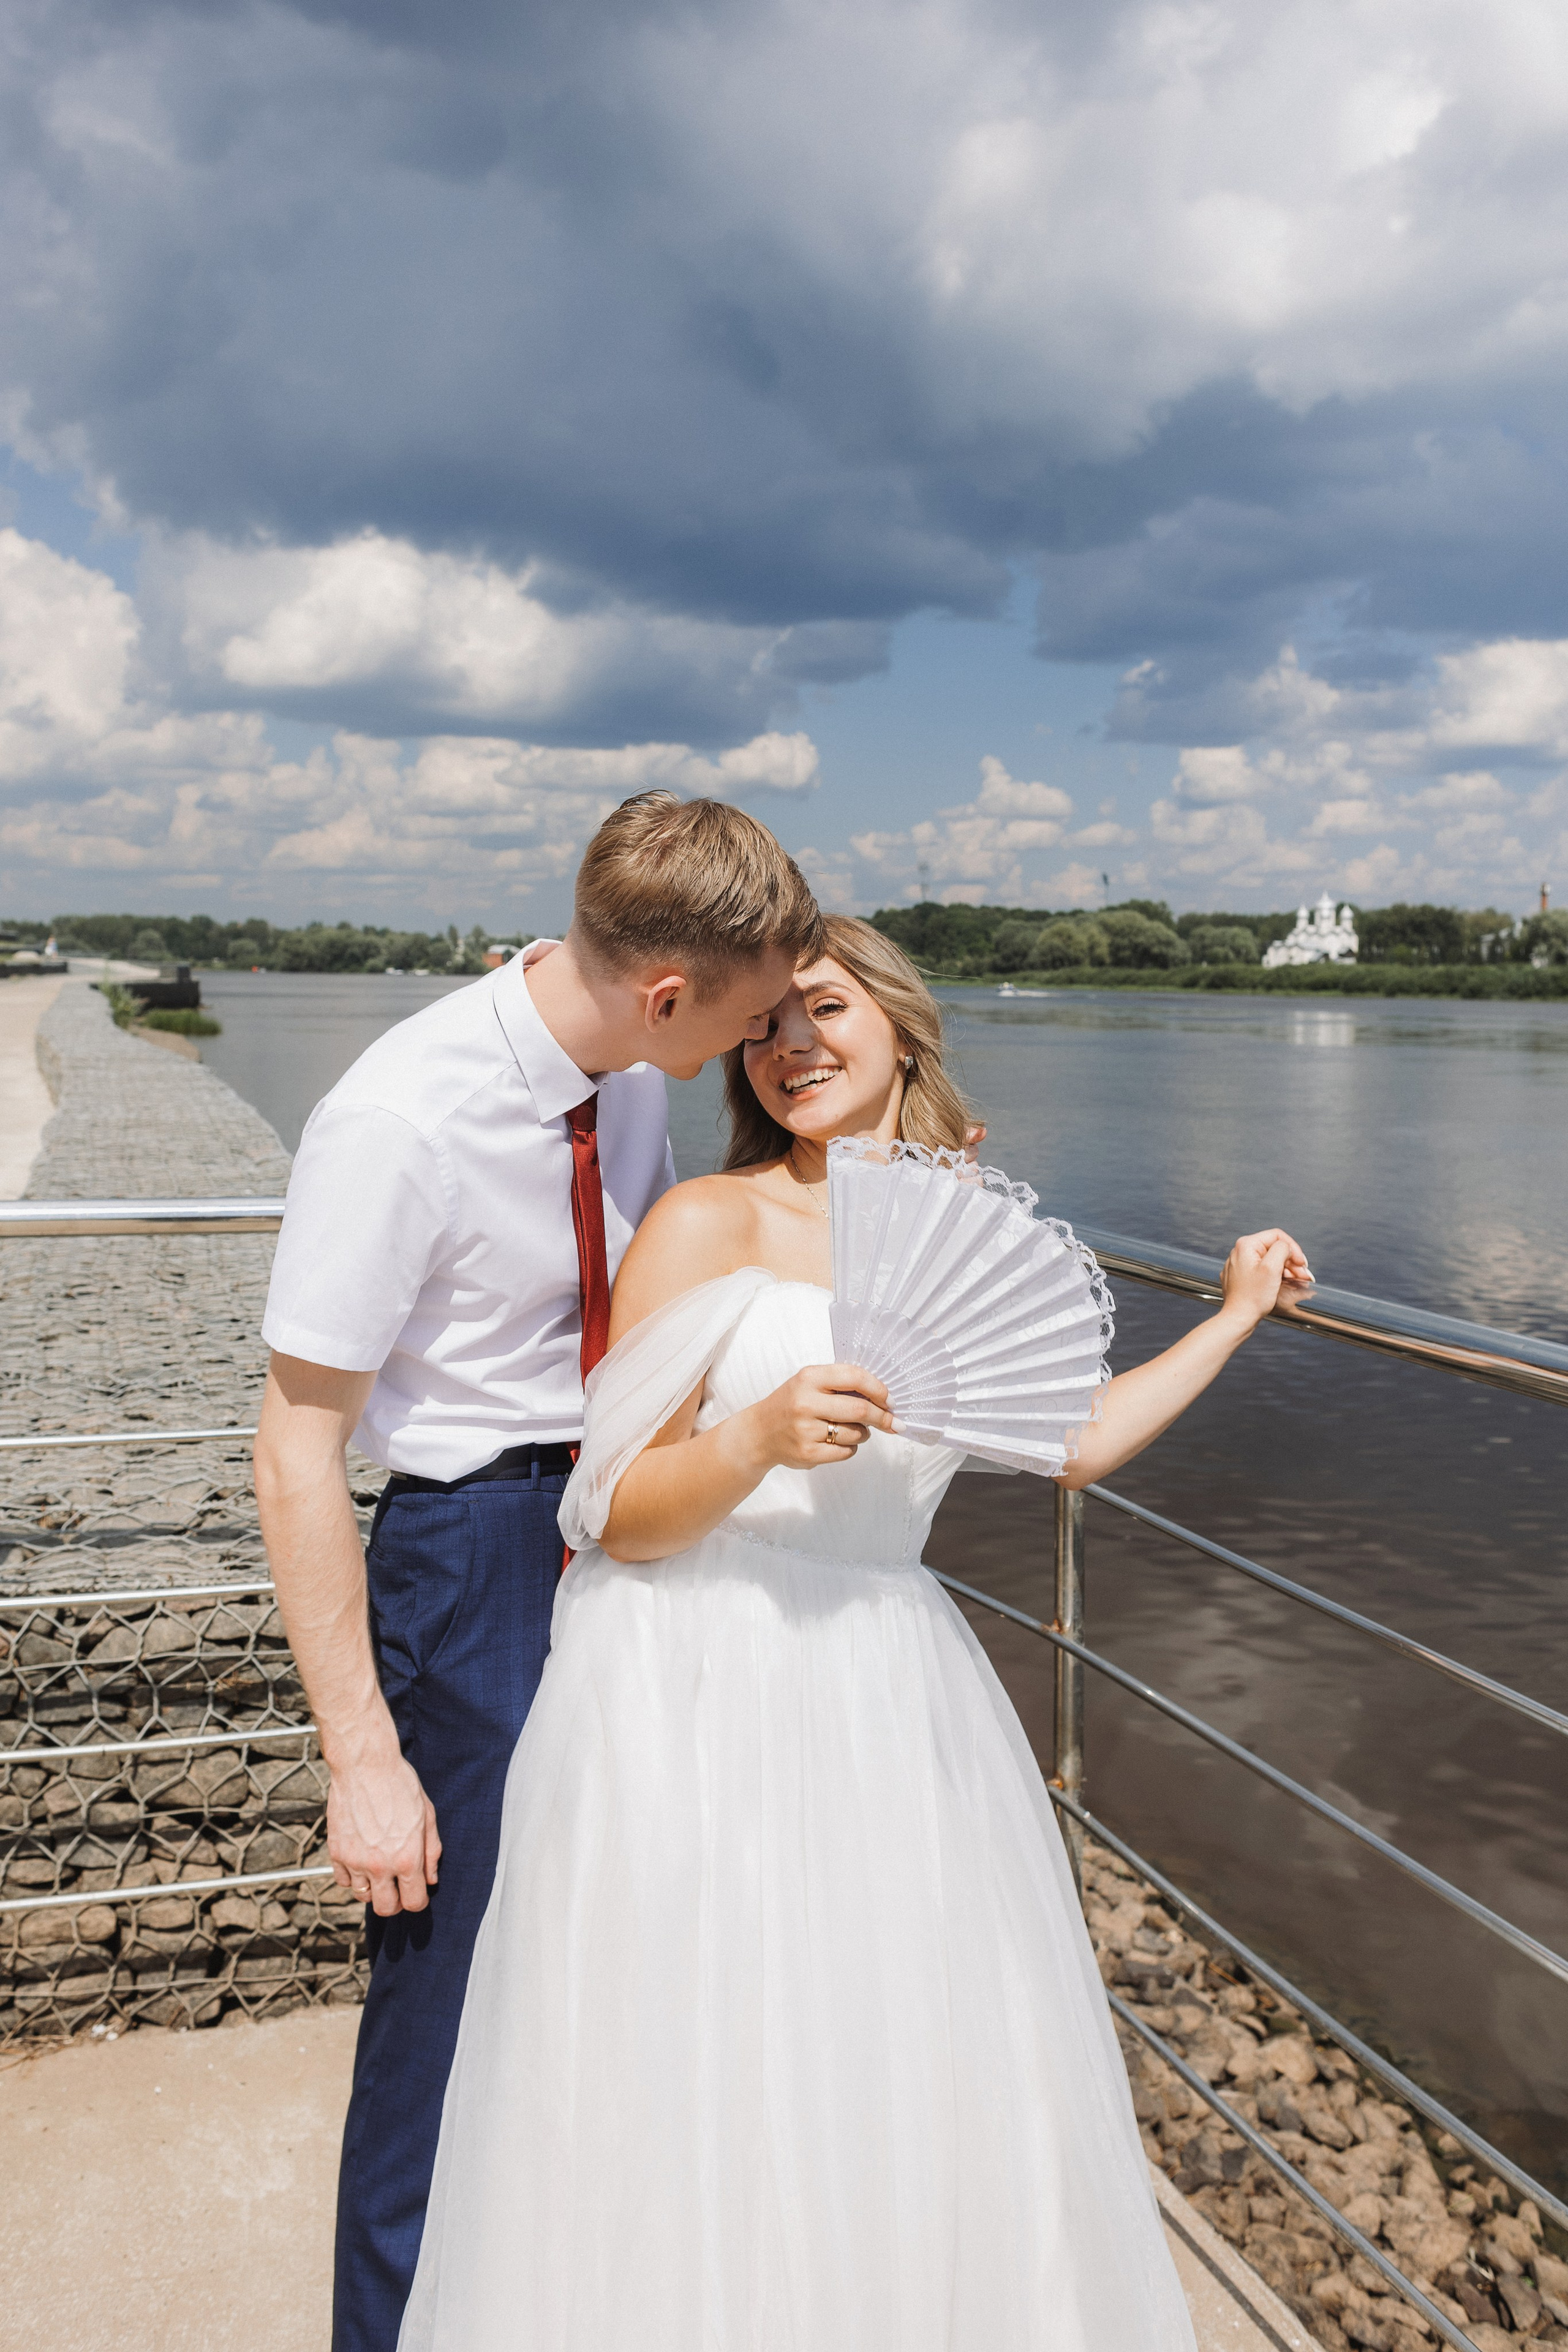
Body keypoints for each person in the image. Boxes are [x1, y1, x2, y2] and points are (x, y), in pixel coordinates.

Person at [397, 914, 1312, 2350]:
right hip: (690, 1671)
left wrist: (1233, 1315)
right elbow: (614, 1511)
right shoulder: (708, 1221)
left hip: (884, 1678)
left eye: (820, 1009)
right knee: (701, 2063)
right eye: (763, 1024)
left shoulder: (968, 1229)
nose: (789, 1046)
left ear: (897, 1026)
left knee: (884, 2061)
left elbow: (1070, 1443)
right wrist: (755, 1438)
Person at [252, 793, 823, 2352]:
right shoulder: (398, 1119)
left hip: (625, 1519)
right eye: (749, 1014)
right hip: (475, 1556)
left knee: (614, 1953)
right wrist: (362, 1760)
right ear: (665, 994)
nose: (760, 1039)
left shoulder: (626, 1070)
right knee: (446, 2007)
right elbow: (294, 1451)